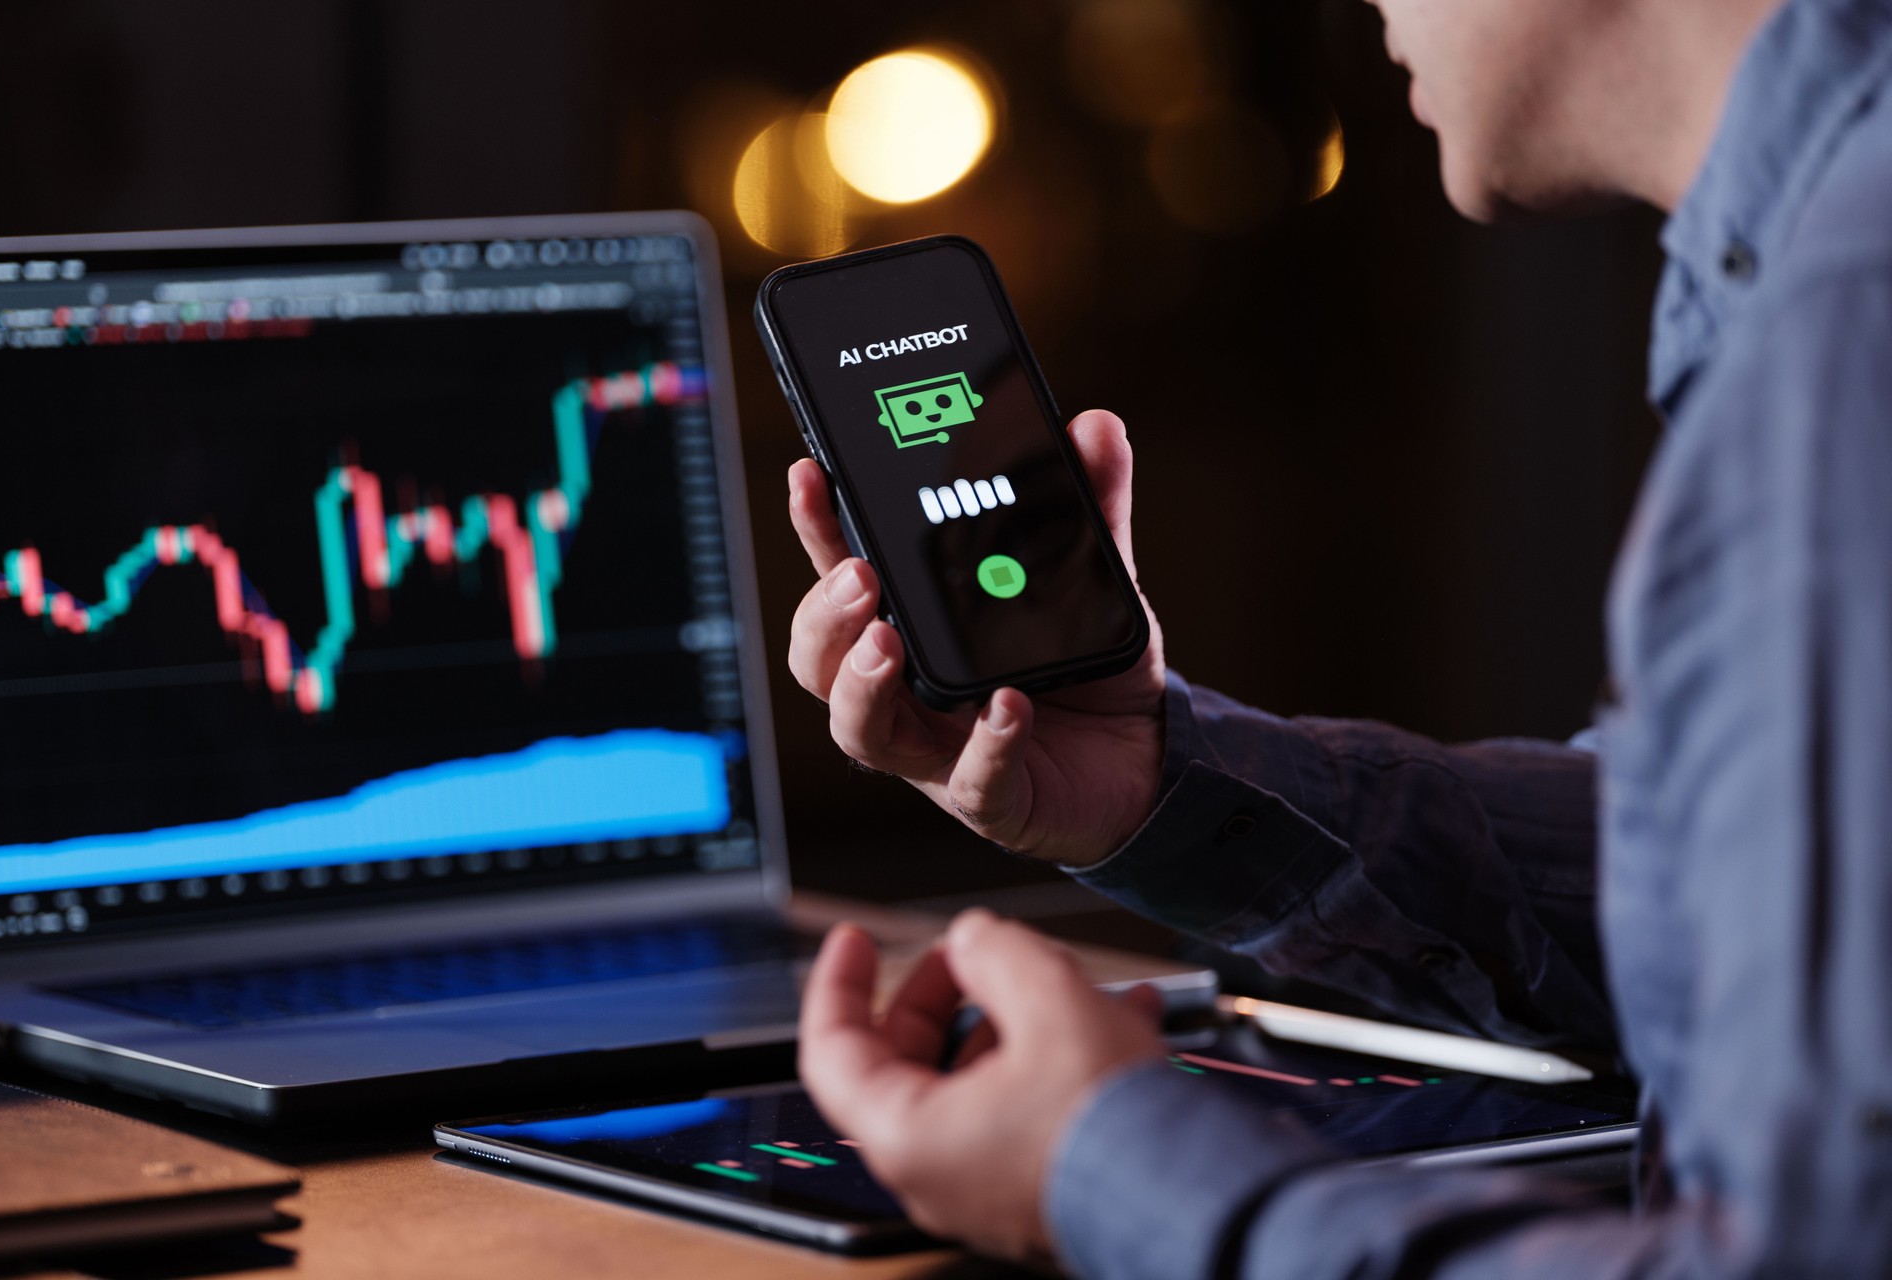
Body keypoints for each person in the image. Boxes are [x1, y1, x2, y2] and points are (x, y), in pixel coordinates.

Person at [789, 0, 1892, 1271]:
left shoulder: (1838, 358)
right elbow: (1726, 881)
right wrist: (1163, 788)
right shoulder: (1808, 290)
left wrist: (1109, 1162)